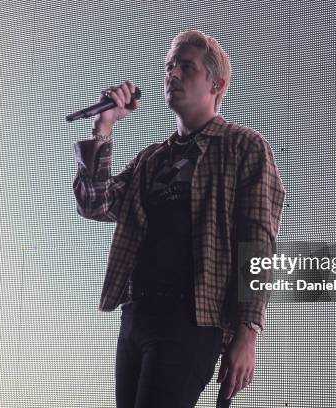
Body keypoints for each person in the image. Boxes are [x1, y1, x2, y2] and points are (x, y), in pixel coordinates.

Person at [73, 30, 285, 408]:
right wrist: (103, 128)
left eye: (186, 67)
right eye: (169, 66)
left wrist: (248, 333)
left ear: (216, 84)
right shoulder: (152, 159)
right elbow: (95, 203)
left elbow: (258, 243)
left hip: (192, 319)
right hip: (137, 316)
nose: (172, 74)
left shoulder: (243, 147)